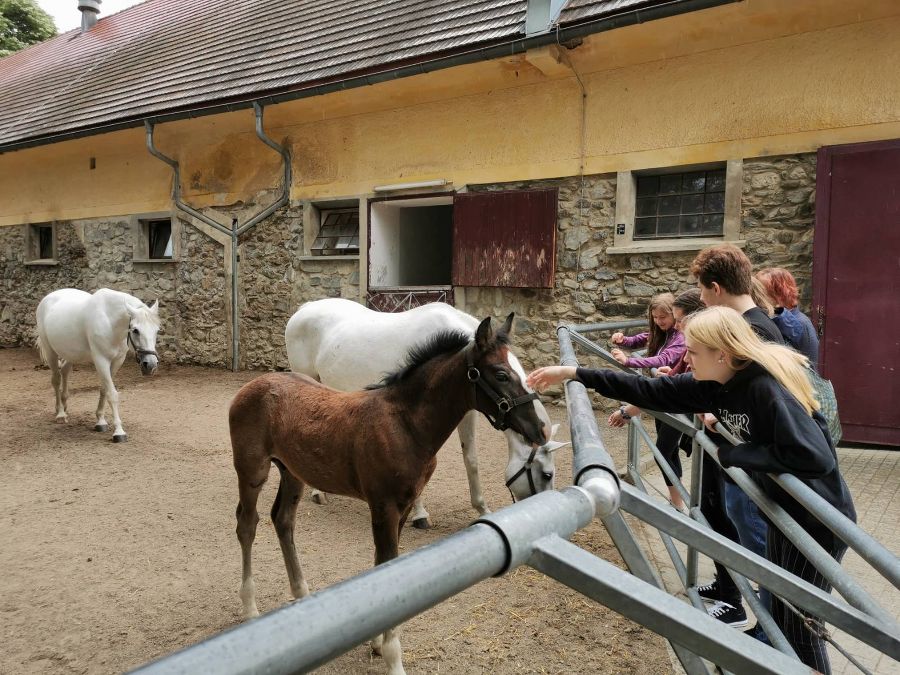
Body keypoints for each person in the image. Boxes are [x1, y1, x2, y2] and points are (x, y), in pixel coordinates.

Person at [527, 306, 856, 675]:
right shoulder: (716, 386)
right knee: (780, 610)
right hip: (785, 514)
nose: (686, 358)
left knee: (802, 624)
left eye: (694, 352)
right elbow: (650, 390)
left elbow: (815, 457)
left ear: (723, 354)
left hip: (815, 521)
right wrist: (574, 373)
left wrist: (736, 453)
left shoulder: (765, 388)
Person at [689, 244, 784, 628]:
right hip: (734, 452)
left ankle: (765, 622)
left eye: (701, 288)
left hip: (744, 459)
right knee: (724, 517)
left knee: (749, 533)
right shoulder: (751, 323)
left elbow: (764, 405)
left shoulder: (755, 330)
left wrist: (725, 429)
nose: (699, 297)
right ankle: (739, 598)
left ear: (715, 287)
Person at [608, 293, 686, 510]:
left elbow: (664, 359)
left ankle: (679, 505)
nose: (659, 322)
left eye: (664, 317)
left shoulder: (679, 336)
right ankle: (677, 502)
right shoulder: (661, 332)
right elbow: (644, 337)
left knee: (662, 450)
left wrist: (630, 361)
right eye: (655, 317)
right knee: (668, 451)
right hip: (664, 399)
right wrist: (625, 340)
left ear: (674, 314)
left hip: (675, 401)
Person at [756, 267, 820, 369]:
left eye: (762, 292)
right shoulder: (773, 317)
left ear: (780, 294)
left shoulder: (799, 323)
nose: (757, 297)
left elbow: (809, 370)